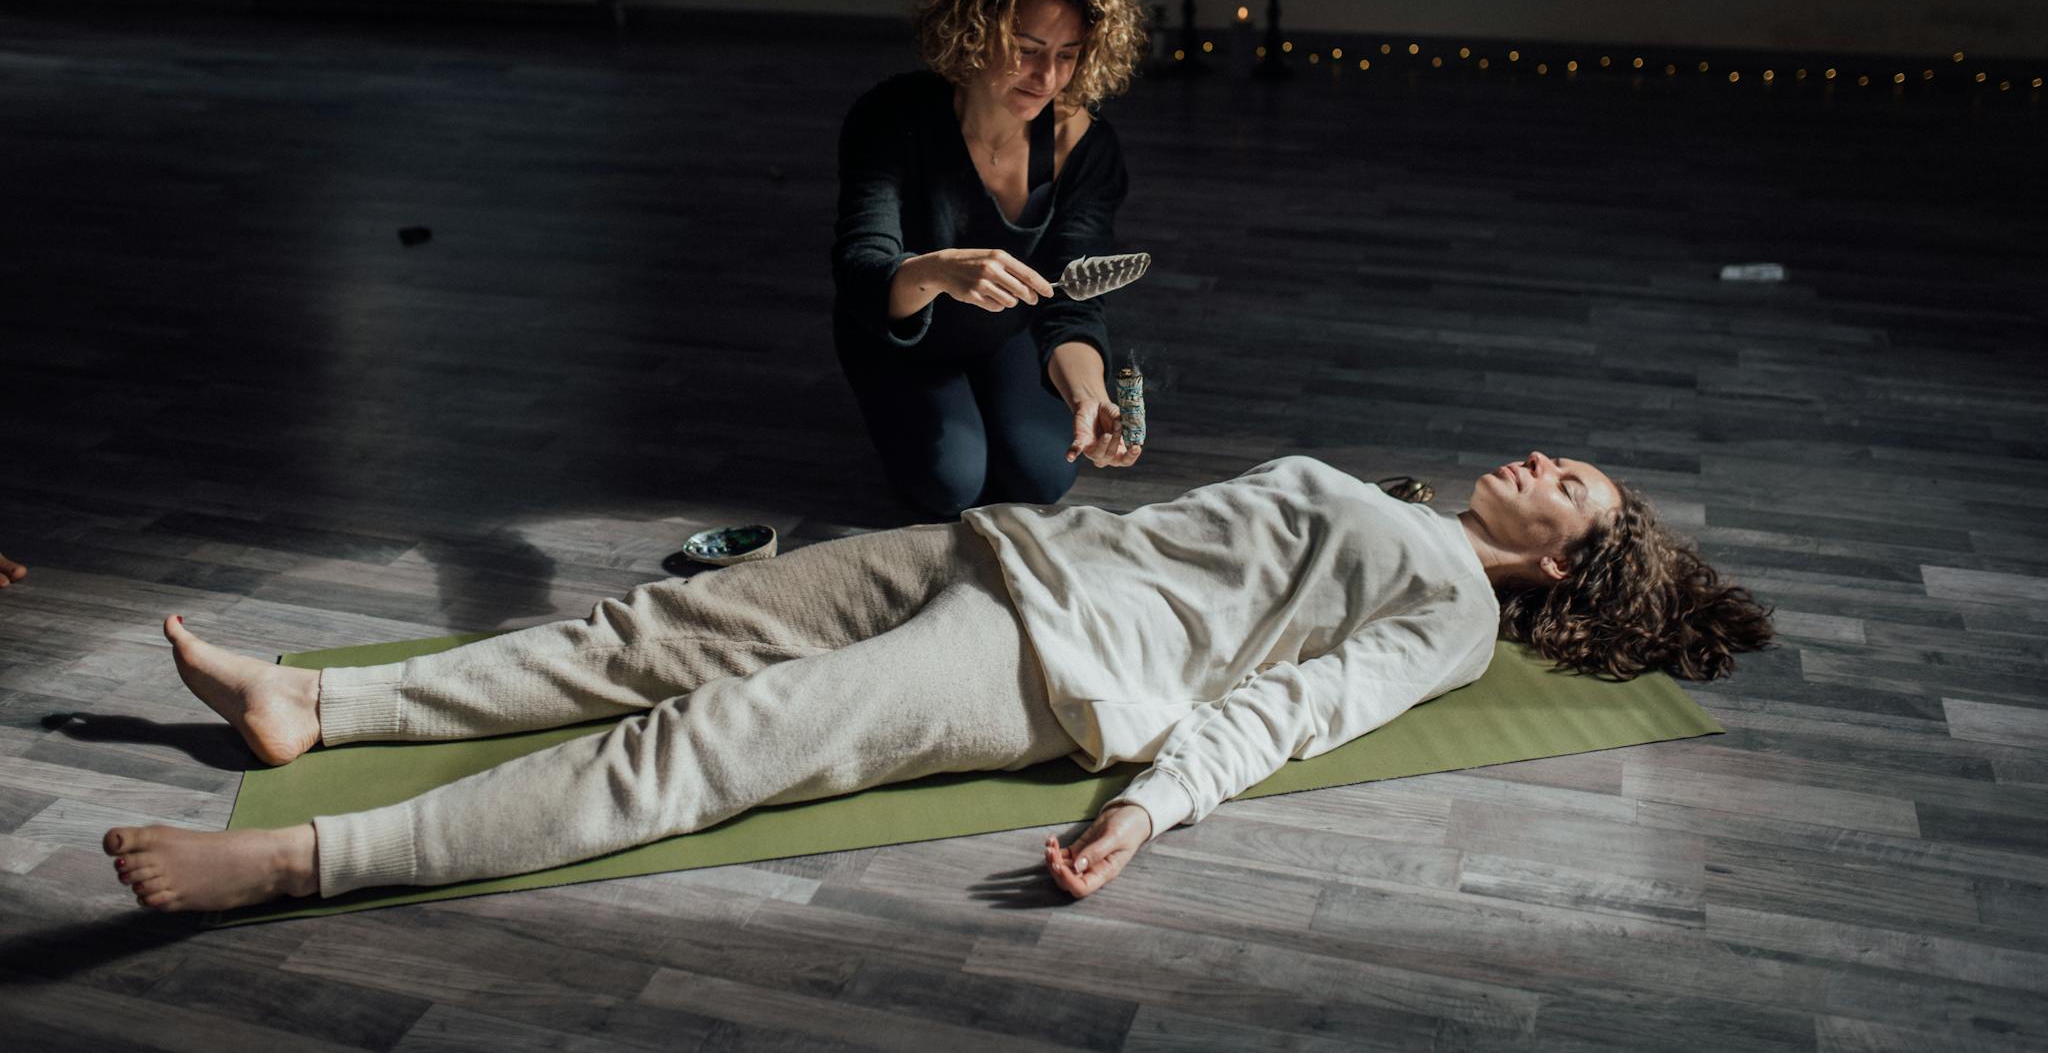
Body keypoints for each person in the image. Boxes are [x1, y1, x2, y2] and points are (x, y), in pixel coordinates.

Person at [103, 452, 1772, 913]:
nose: (1551, 462)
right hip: (1003, 551)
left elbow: (1291, 709)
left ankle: (291, 859)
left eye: (1578, 488)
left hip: (1046, 661)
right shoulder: (1404, 504)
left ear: (1572, 563)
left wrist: (1150, 806)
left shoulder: (1452, 620)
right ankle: (326, 709)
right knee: (654, 636)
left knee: (707, 743)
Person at [833, 0, 1149, 517]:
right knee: (951, 485)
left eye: (1068, 54)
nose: (1047, 77)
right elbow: (859, 270)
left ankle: (988, 401)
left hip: (1006, 335)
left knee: (1042, 478)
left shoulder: (1088, 149)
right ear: (977, 29)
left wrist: (1088, 395)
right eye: (1028, 50)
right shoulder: (890, 117)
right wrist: (940, 271)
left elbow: (1073, 299)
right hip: (897, 334)